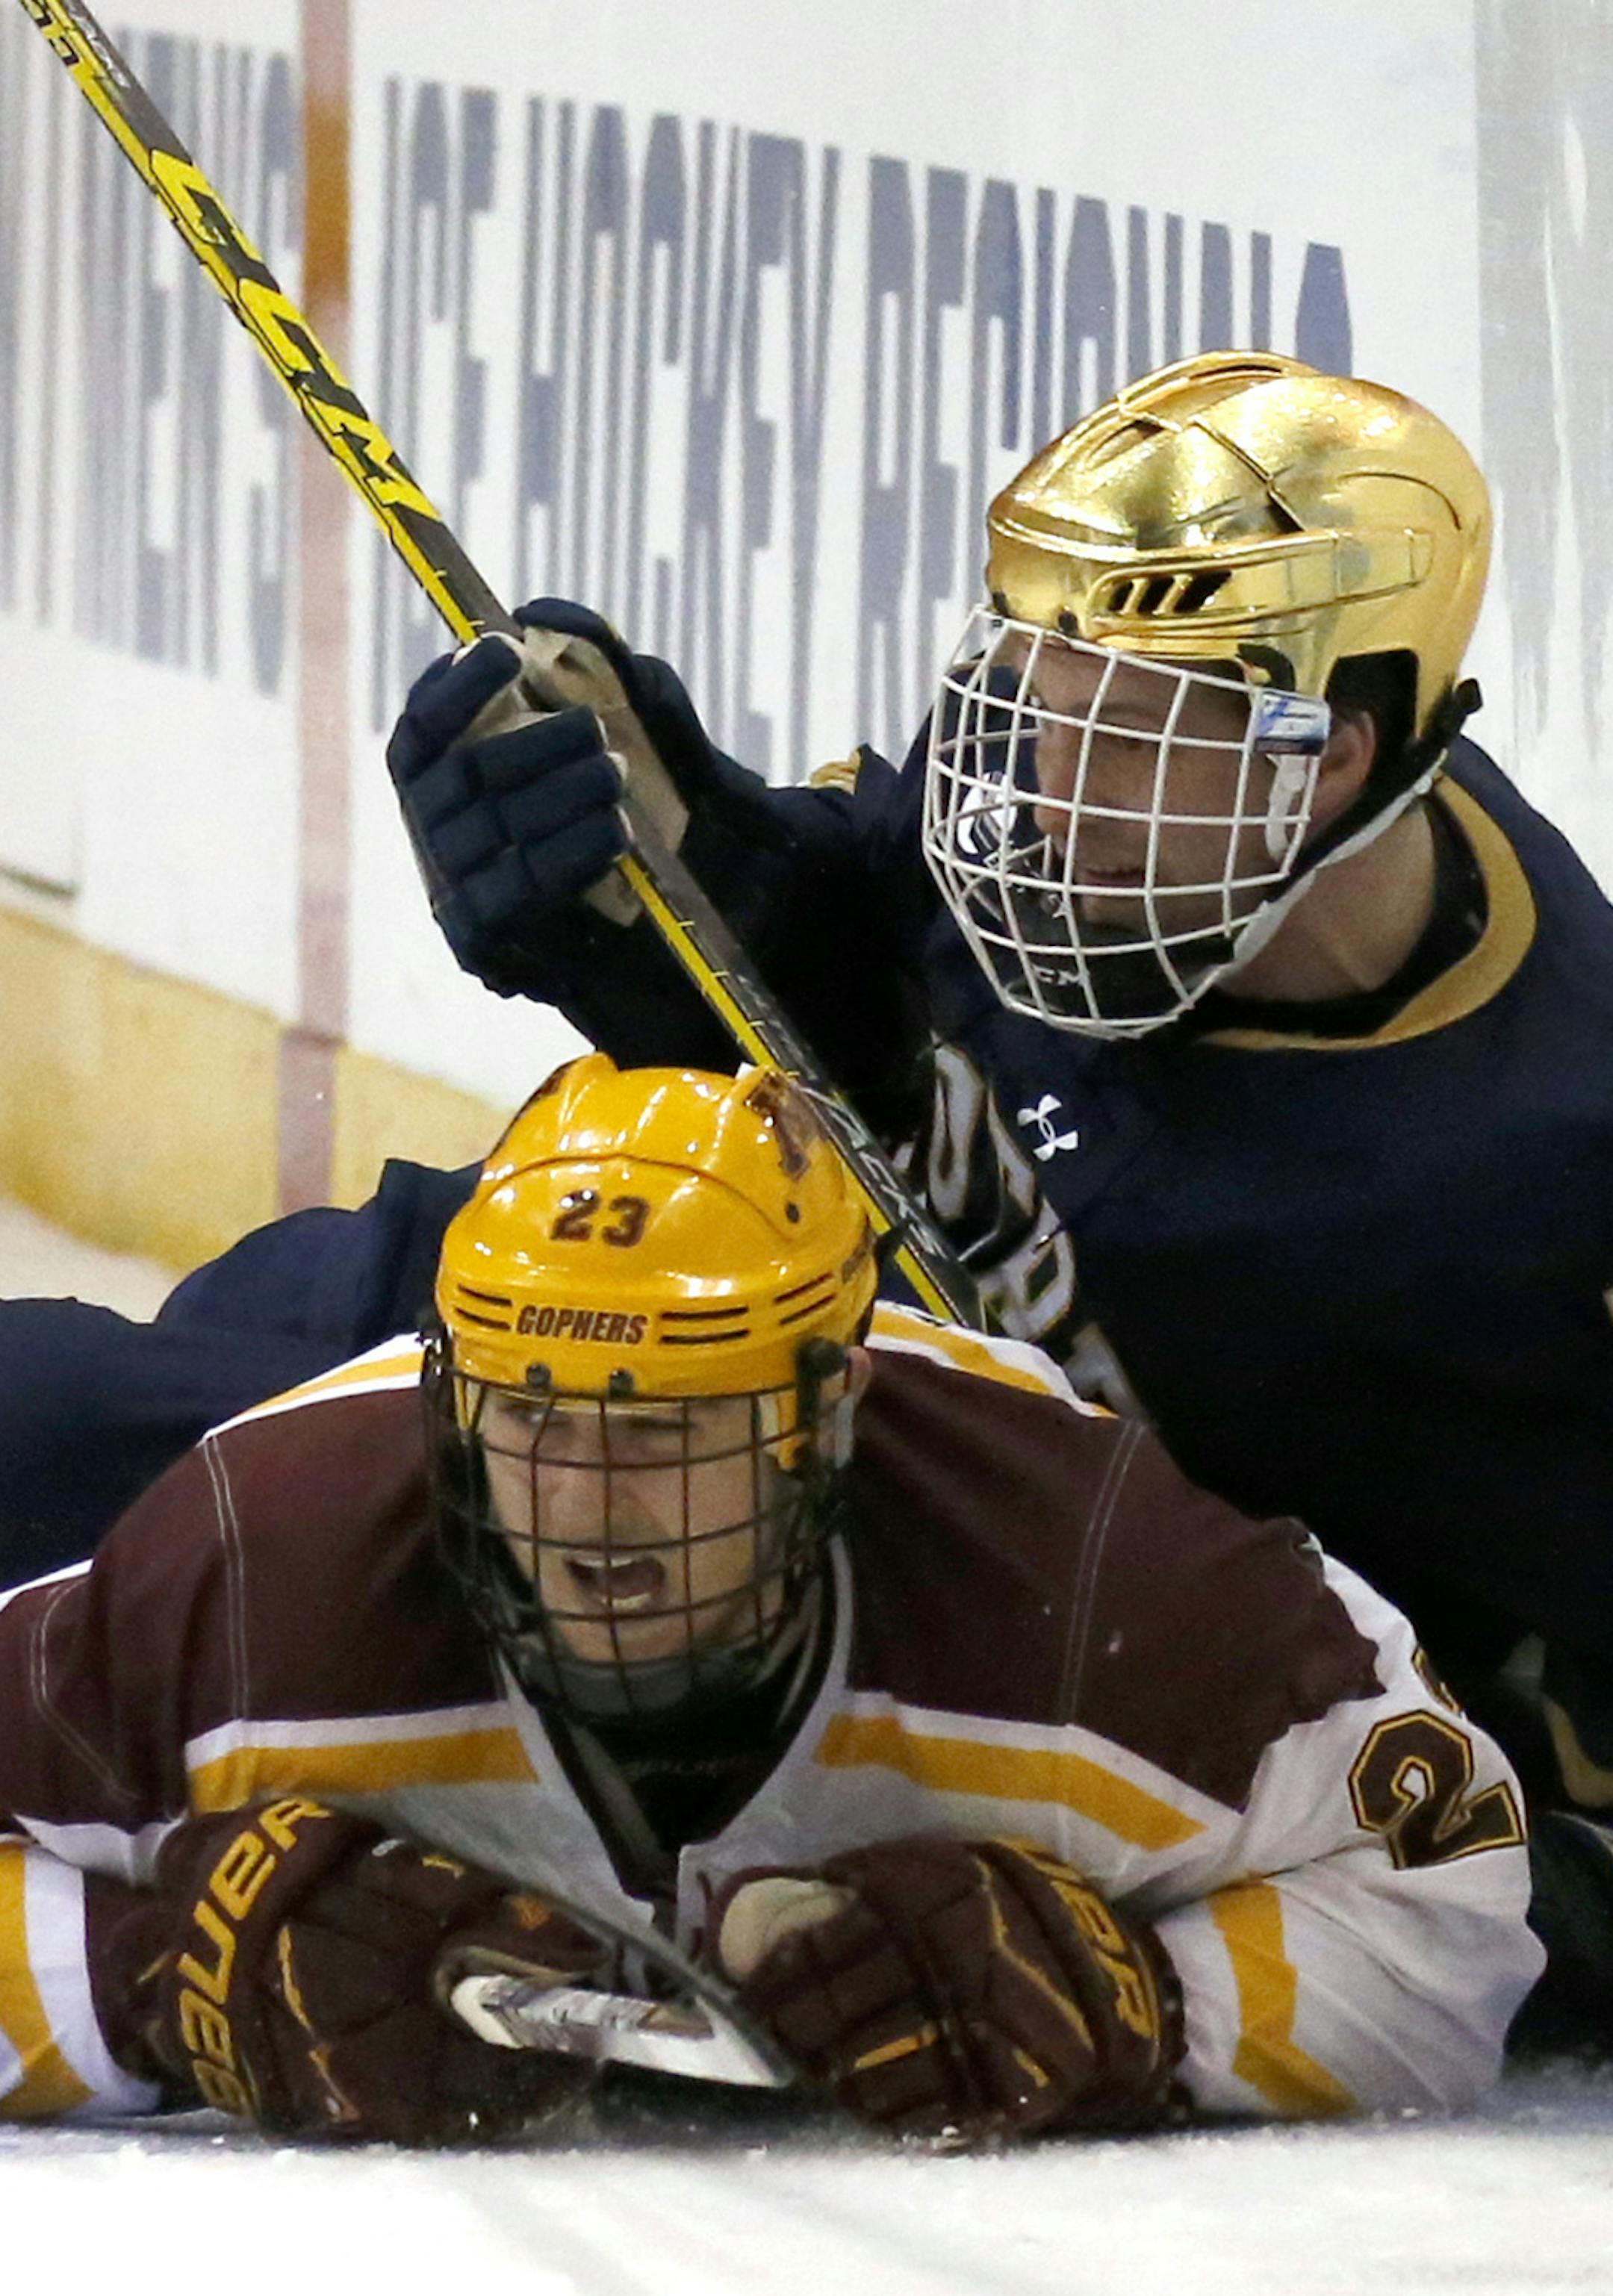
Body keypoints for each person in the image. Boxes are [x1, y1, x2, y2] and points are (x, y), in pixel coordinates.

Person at [379, 349, 1613, 1843]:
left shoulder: (1538, 1176)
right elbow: (846, 977)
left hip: (862, 1591)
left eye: (1118, 745)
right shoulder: (1113, 854)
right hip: (689, 1347)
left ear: (1334, 761)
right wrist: (670, 880)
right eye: (1034, 708)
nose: (1036, 796)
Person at [0, 1057, 1539, 2141]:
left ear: (836, 1404)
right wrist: (151, 1986)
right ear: (454, 1398)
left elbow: (1451, 1894)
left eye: (668, 1426)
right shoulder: (257, 1569)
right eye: (536, 1418)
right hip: (318, 1323)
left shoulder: (1091, 1582)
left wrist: (1147, 1999)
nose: (593, 1502)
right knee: (41, 1414)